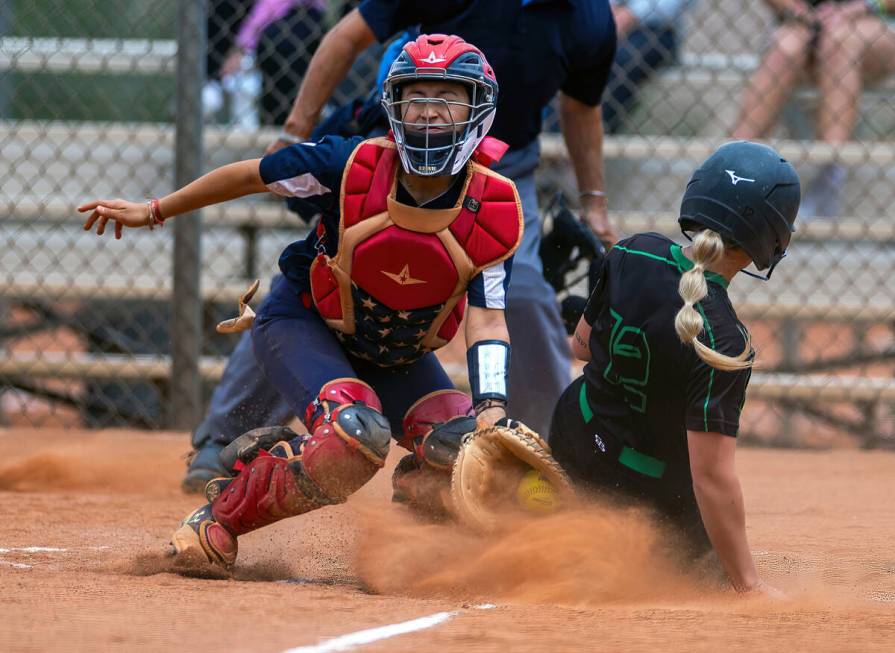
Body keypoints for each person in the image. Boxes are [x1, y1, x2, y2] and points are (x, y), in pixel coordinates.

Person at [81, 34, 527, 567]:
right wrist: (154, 210)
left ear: (478, 109)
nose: (430, 112)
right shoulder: (351, 164)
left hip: (397, 354)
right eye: (417, 96)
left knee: (463, 447)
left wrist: (492, 409)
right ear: (394, 106)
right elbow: (252, 174)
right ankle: (219, 517)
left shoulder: (494, 206)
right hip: (305, 322)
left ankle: (417, 526)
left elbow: (488, 320)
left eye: (448, 97)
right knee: (353, 438)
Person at [181, 0, 619, 492]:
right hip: (397, 153)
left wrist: (594, 200)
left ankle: (536, 449)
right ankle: (223, 438)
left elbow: (582, 106)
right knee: (324, 286)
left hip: (502, 166)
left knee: (526, 294)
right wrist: (293, 133)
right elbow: (347, 35)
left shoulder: (587, 15)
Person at [547, 141, 800, 594]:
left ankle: (549, 499)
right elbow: (712, 478)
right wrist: (748, 584)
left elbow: (581, 347)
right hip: (641, 494)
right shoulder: (725, 340)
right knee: (700, 578)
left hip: (572, 437)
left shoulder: (632, 251)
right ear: (770, 239)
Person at [731, 0, 895, 218]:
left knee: (839, 41)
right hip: (802, 24)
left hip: (870, 22)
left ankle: (828, 173)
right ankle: (731, 165)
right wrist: (798, 11)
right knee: (785, 48)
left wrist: (859, 8)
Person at [603, 0, 696, 133]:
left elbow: (669, 6)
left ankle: (592, 133)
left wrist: (631, 14)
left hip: (656, 30)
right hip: (609, 20)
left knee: (622, 60)